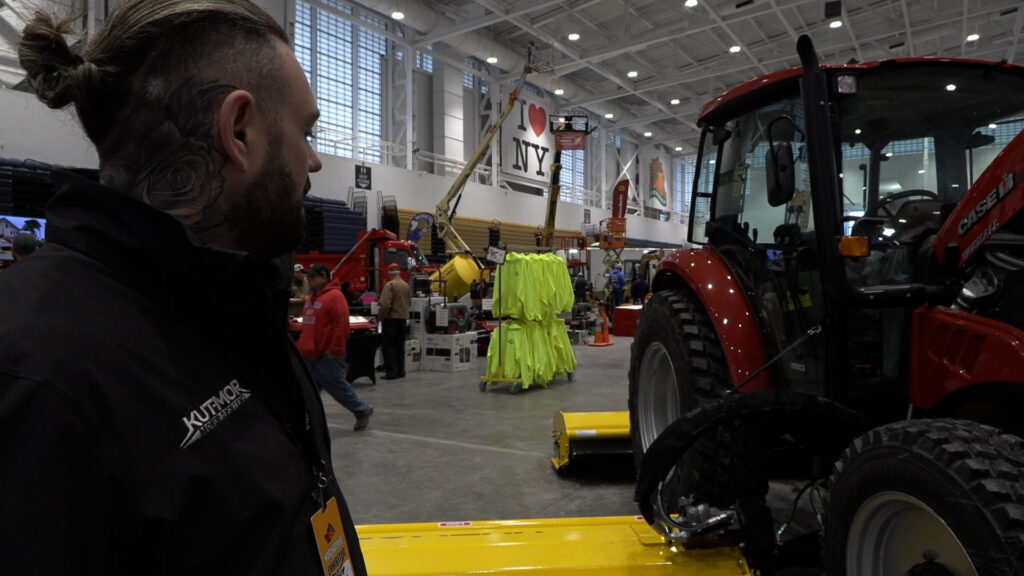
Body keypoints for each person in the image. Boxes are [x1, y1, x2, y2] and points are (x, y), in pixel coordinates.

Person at [0, 2, 368, 574]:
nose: (314, 161)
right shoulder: (37, 378)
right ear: (238, 129)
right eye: (307, 130)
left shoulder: (234, 299)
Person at [297, 263, 374, 429]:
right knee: (308, 391)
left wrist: (335, 350)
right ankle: (306, 421)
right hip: (309, 354)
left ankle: (362, 410)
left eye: (312, 276)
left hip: (327, 356)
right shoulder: (311, 297)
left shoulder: (334, 297)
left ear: (324, 277)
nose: (308, 279)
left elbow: (341, 327)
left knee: (338, 388)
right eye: (307, 276)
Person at [378, 262, 411, 379]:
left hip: (391, 320)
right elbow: (409, 302)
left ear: (389, 273)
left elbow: (385, 304)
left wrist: (382, 317)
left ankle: (391, 372)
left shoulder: (390, 285)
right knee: (399, 346)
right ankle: (401, 371)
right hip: (402, 320)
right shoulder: (405, 285)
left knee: (389, 347)